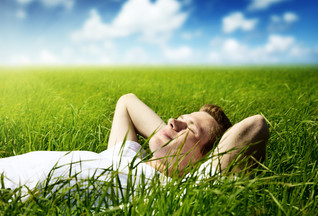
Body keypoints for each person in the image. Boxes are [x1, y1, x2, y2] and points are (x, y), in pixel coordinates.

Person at [0, 93, 269, 196]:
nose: (173, 120)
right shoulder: (125, 157)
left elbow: (256, 125)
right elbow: (126, 102)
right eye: (179, 117)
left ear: (201, 160)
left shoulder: (173, 194)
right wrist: (166, 135)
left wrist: (206, 167)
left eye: (190, 128)